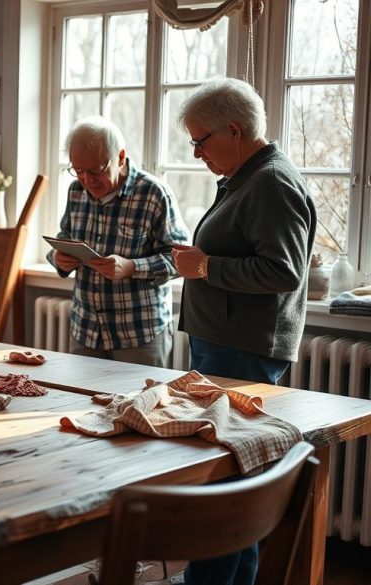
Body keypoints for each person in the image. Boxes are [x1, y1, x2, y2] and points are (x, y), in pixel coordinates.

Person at [172, 77, 316, 585]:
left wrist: (206, 267)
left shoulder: (271, 182)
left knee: (225, 487)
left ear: (233, 129)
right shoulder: (248, 177)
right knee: (236, 479)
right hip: (226, 346)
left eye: (200, 140)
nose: (196, 153)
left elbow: (282, 271)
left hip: (241, 353)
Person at [47, 116, 188, 368]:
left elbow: (179, 260)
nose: (87, 180)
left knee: (141, 406)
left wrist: (132, 267)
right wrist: (57, 258)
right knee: (81, 405)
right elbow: (64, 238)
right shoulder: (75, 191)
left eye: (95, 171)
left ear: (120, 157)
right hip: (86, 331)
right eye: (78, 171)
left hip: (139, 335)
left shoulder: (154, 194)